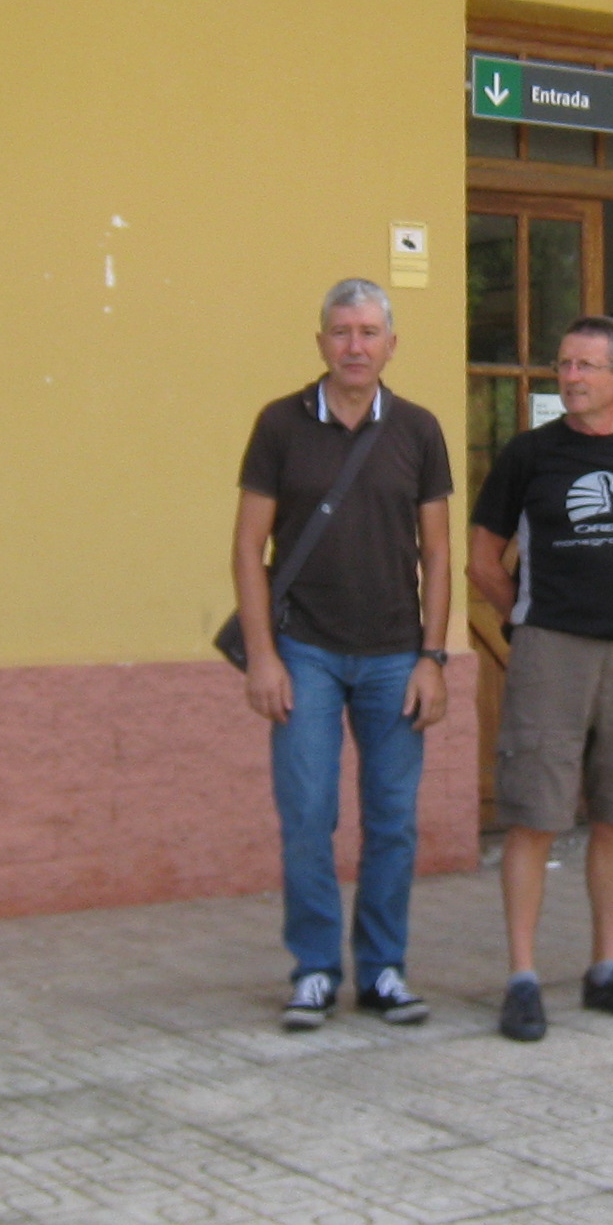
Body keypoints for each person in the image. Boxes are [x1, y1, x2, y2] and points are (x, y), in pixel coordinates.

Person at [233, 279, 454, 1032]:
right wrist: (263, 657)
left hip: (395, 655)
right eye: (341, 331)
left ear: (391, 344)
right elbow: (247, 547)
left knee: (392, 821)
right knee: (307, 816)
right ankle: (315, 971)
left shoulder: (418, 429)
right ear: (321, 341)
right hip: (305, 653)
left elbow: (438, 552)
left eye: (368, 332)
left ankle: (385, 969)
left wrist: (433, 658)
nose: (354, 346)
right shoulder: (280, 424)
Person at [469, 315, 613, 1041]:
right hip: (551, 653)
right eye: (563, 364)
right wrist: (530, 620)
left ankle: (608, 969)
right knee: (534, 815)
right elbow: (481, 560)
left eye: (585, 366)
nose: (570, 377)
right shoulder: (529, 455)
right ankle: (523, 979)